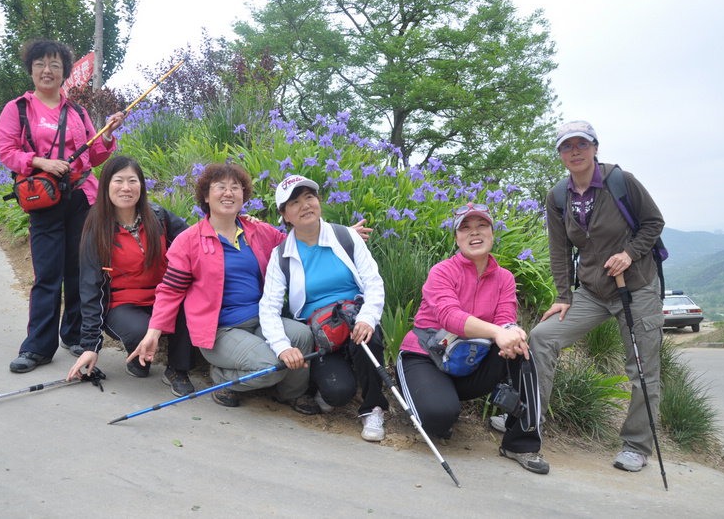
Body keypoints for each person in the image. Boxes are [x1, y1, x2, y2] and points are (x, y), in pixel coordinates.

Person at [129, 164, 370, 414]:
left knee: (301, 335)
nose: (228, 193)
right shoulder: (188, 241)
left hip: (260, 319)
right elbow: (170, 291)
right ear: (205, 196)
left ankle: (291, 393)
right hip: (221, 330)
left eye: (236, 188)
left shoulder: (258, 231)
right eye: (220, 187)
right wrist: (153, 333)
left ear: (244, 196)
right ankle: (222, 377)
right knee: (271, 363)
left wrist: (339, 236)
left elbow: (299, 241)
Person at [529, 120, 665, 473]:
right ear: (560, 154)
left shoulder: (621, 182)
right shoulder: (559, 195)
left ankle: (636, 446)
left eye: (581, 144)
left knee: (642, 369)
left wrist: (630, 253)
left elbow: (653, 222)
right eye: (566, 146)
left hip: (636, 289)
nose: (574, 151)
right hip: (591, 291)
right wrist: (563, 295)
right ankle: (531, 422)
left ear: (595, 147)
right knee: (542, 337)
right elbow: (558, 249)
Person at [0, 39, 125, 373]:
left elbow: (94, 155)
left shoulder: (78, 112)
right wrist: (41, 161)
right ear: (31, 70)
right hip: (44, 198)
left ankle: (75, 336)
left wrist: (109, 135)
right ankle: (37, 346)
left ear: (65, 72)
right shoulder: (18, 109)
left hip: (82, 198)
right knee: (48, 274)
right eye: (40, 64)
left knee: (80, 271)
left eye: (54, 65)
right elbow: (7, 151)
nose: (47, 70)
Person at [396, 203, 549, 474]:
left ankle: (520, 443)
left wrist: (512, 332)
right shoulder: (442, 271)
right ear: (456, 238)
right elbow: (449, 316)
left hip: (469, 362)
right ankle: (434, 401)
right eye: (465, 227)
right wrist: (497, 332)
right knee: (437, 418)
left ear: (492, 234)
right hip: (427, 357)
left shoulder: (504, 278)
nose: (474, 232)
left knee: (522, 349)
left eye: (481, 226)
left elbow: (506, 317)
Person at [258, 175, 389, 442]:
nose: (305, 205)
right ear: (285, 215)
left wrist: (367, 317)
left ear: (319, 202)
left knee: (369, 336)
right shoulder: (281, 255)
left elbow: (374, 283)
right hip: (321, 335)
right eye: (294, 202)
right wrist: (283, 346)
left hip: (354, 320)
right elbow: (268, 308)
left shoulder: (346, 236)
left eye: (309, 197)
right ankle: (337, 379)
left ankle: (373, 407)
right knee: (337, 394)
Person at [65, 156, 197, 396]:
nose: (126, 187)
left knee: (191, 304)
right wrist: (91, 346)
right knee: (141, 330)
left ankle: (178, 369)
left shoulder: (159, 217)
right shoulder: (97, 229)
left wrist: (233, 224)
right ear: (106, 186)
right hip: (123, 305)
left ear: (141, 186)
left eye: (132, 181)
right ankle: (136, 356)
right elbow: (90, 289)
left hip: (162, 298)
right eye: (118, 181)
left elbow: (195, 239)